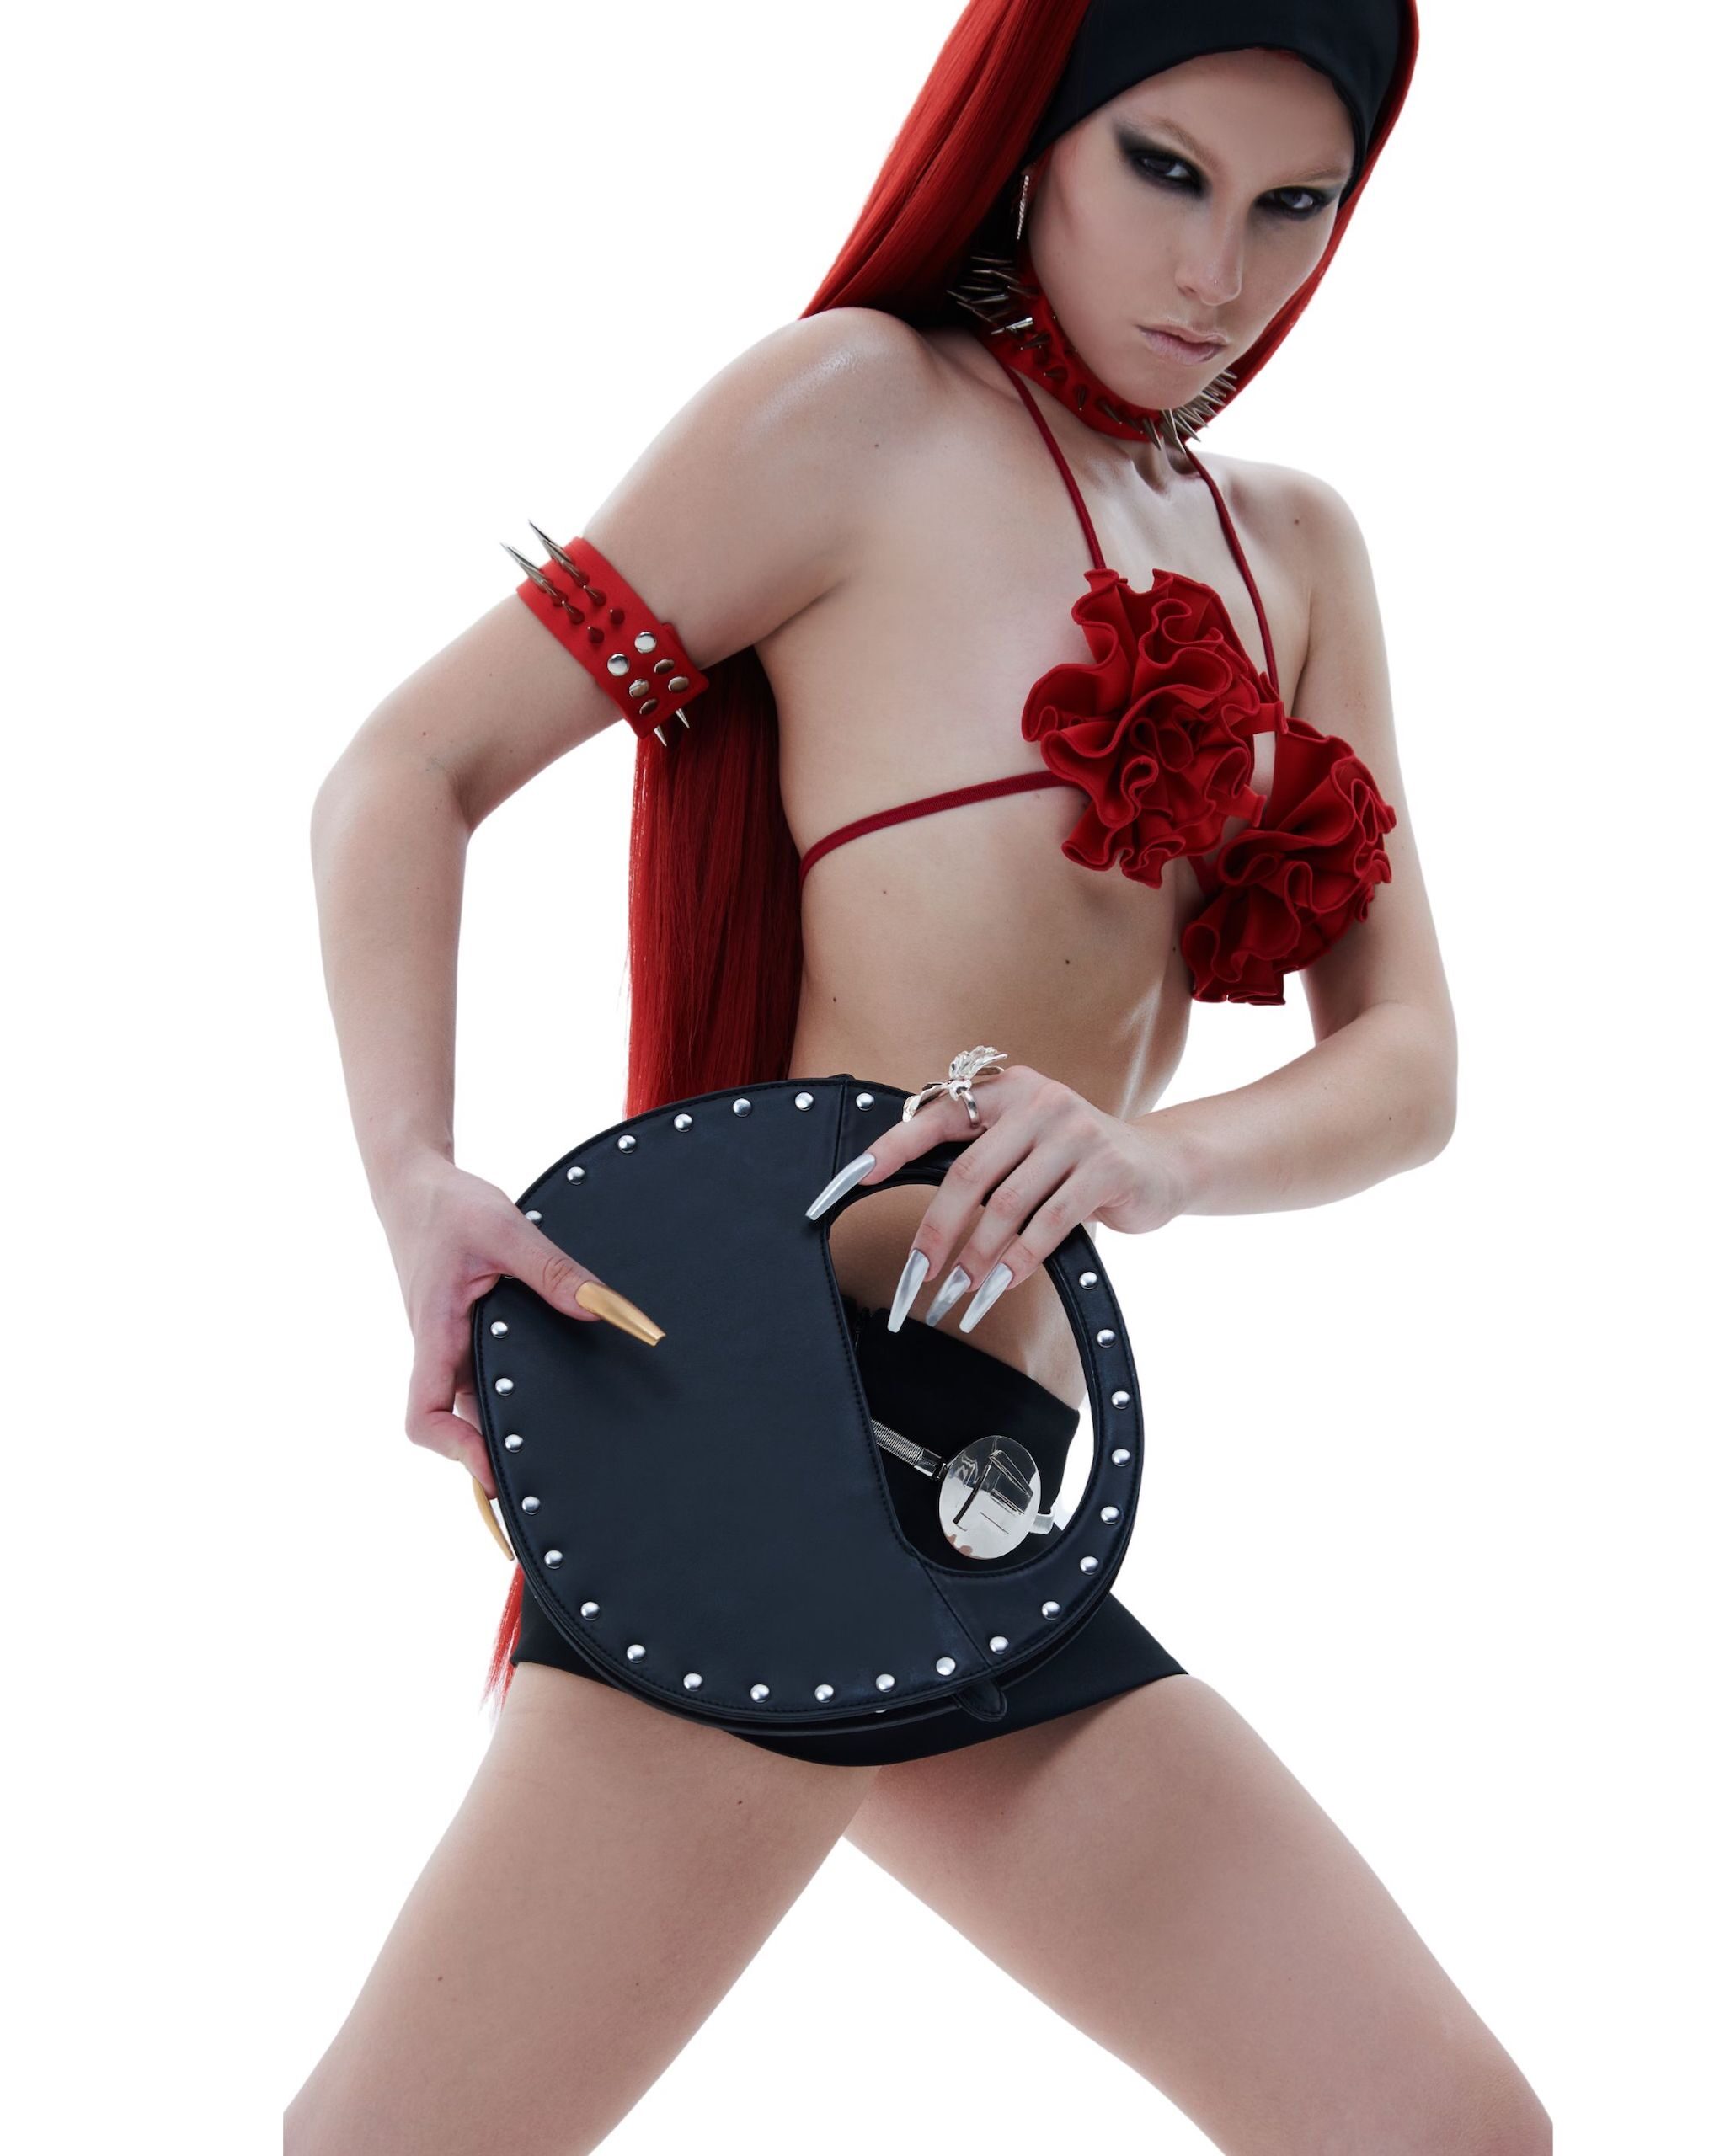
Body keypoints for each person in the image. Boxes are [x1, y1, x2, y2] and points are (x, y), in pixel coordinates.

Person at [291, 1, 1551, 2148]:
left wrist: (1148, 1157)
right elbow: (408, 766)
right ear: (1033, 138)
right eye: (1163, 171)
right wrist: (416, 1180)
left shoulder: (1294, 550)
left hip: (984, 1490)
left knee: (1441, 2133)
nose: (1217, 273)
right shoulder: (852, 412)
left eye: (1290, 205)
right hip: (755, 1430)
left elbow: (1408, 1063)